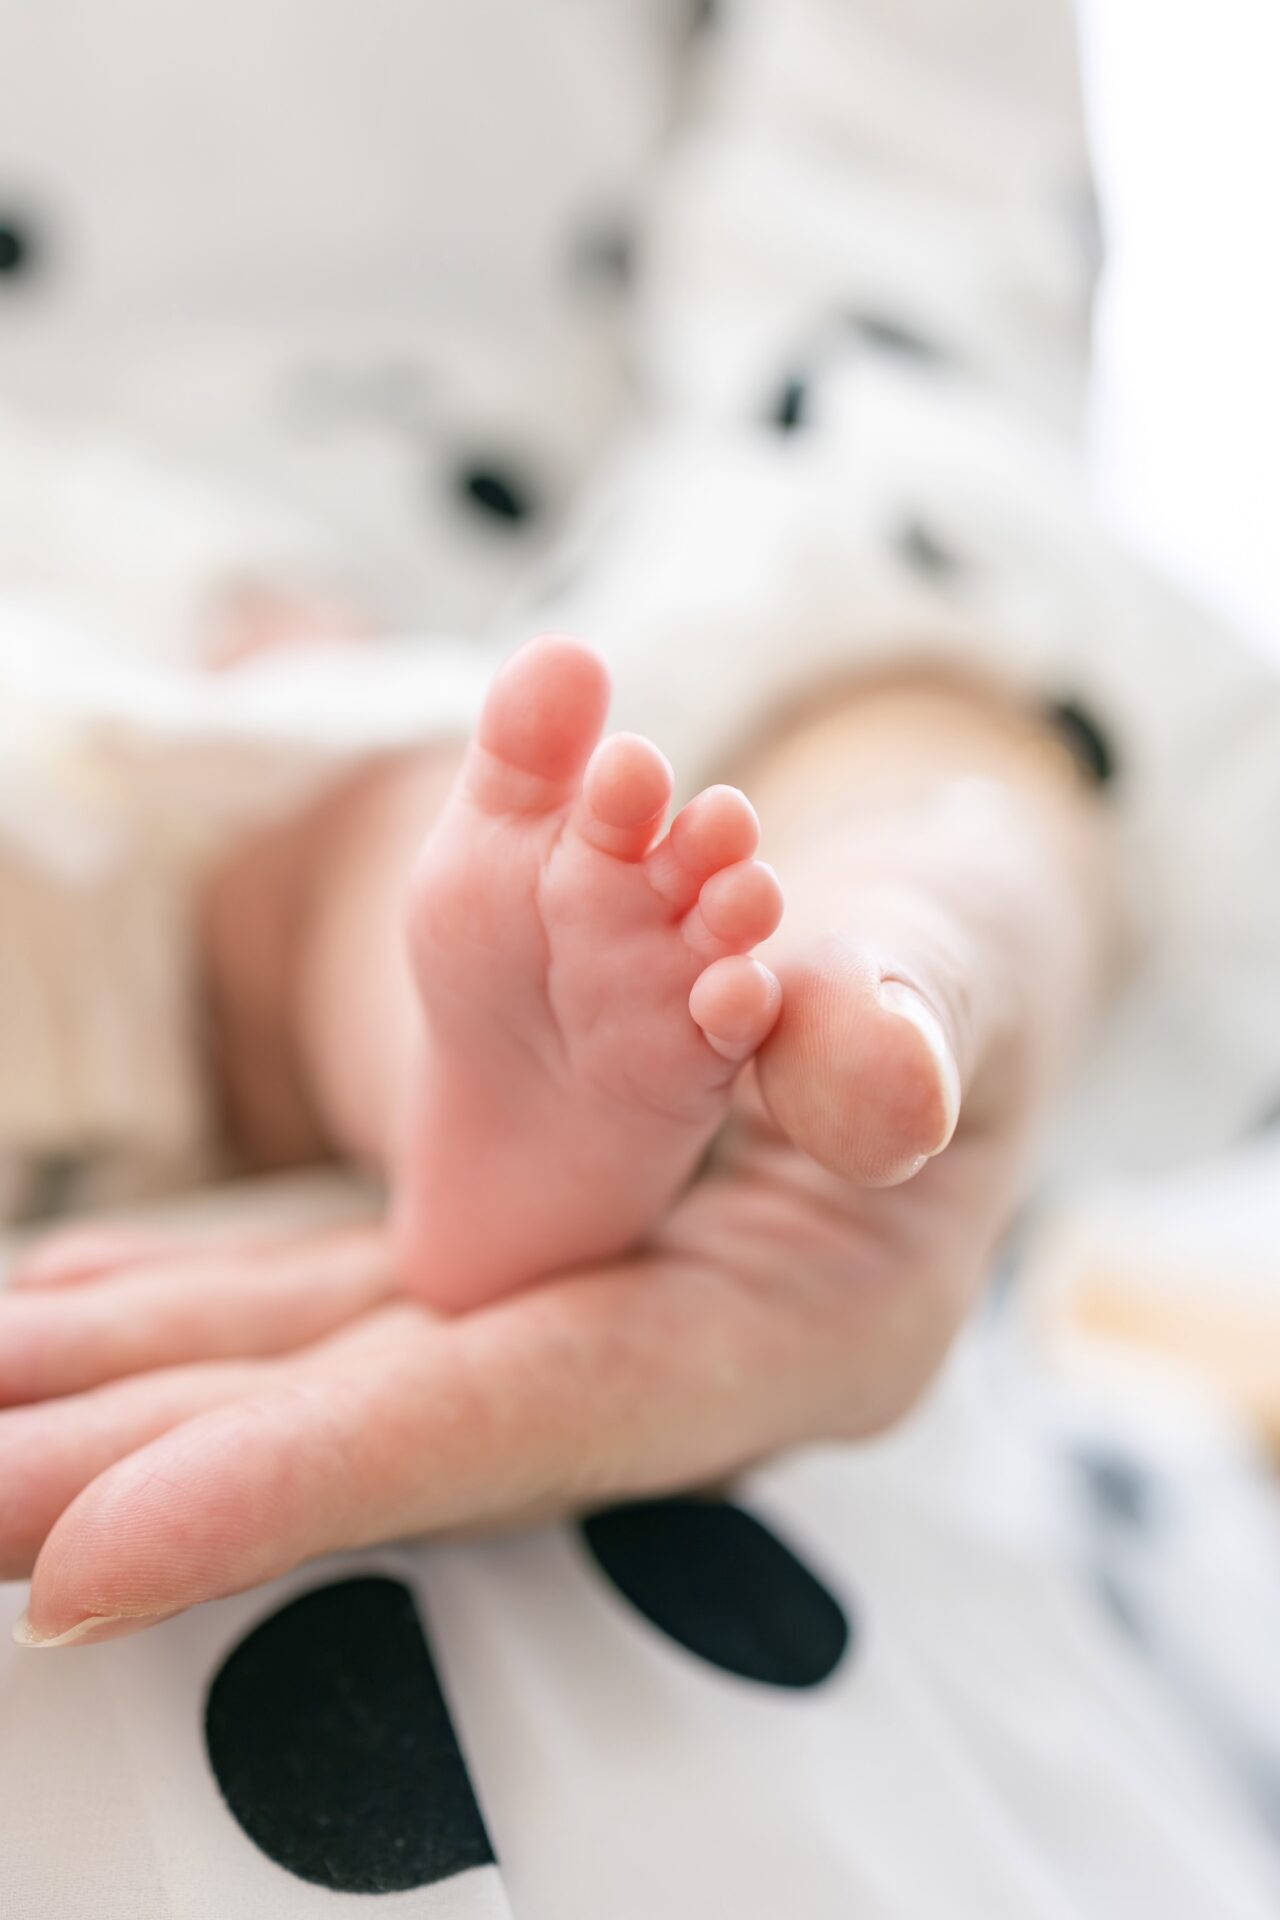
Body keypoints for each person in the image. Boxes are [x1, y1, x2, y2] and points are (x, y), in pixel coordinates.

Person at [1, 0, 1278, 1912]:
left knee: (397, 806)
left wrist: (924, 802)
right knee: (369, 810)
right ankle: (423, 1001)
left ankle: (440, 1031)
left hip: (516, 663)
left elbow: (885, 337)